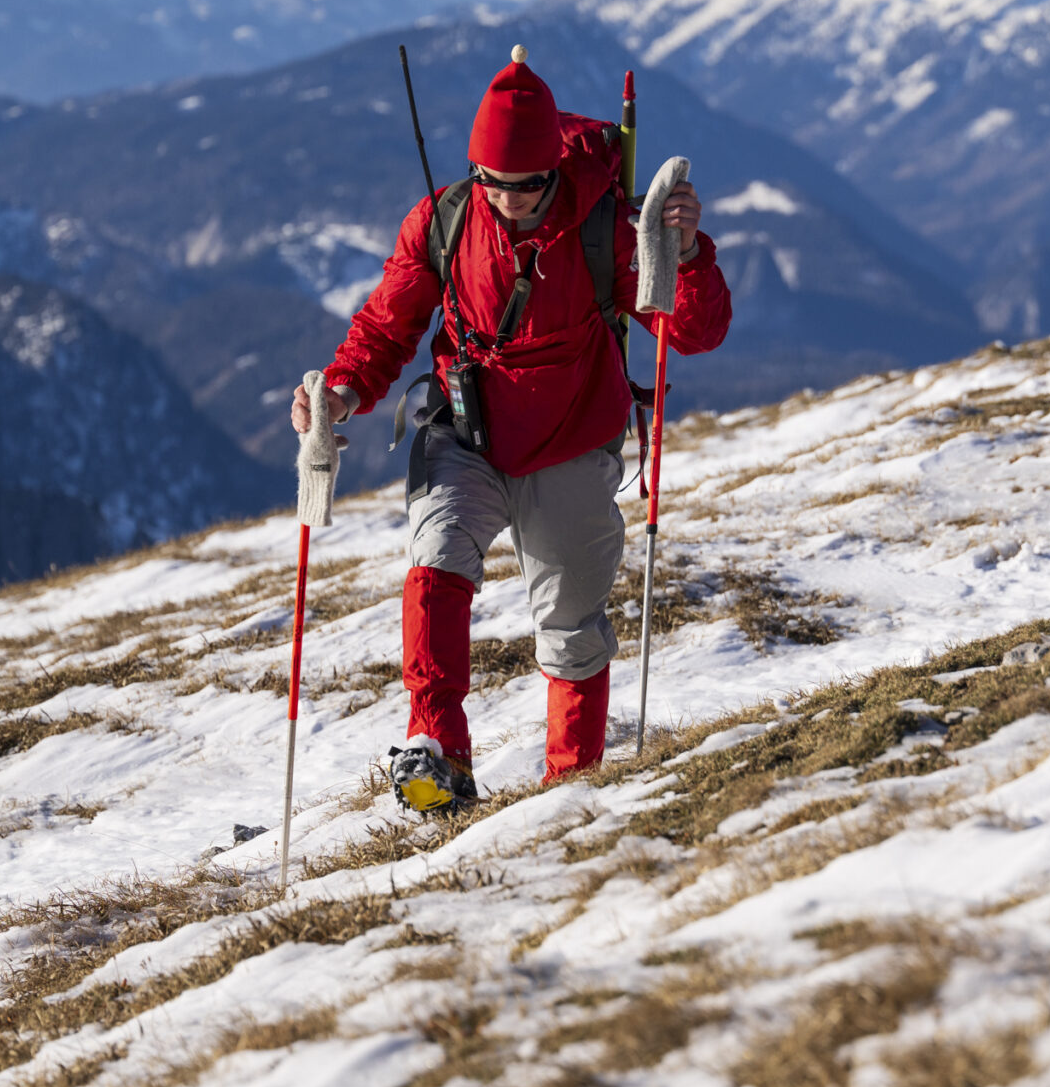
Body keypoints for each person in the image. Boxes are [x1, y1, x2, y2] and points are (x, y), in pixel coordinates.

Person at [291, 48, 730, 812]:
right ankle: (437, 751)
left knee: (570, 626)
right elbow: (386, 327)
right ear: (477, 170)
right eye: (496, 183)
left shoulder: (606, 226)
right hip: (465, 433)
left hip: (570, 441)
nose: (511, 199)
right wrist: (341, 392)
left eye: (527, 186)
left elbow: (694, 331)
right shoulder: (445, 222)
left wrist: (685, 253)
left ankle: (571, 790)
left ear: (553, 171)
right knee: (436, 559)